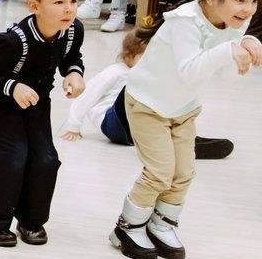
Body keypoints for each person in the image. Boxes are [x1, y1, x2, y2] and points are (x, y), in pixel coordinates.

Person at [110, 0, 262, 259]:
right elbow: (189, 70)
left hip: (183, 107)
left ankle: (161, 224)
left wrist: (248, 40)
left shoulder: (236, 18)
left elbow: (230, 47)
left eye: (255, 1)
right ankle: (127, 227)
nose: (249, 9)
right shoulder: (185, 22)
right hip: (148, 104)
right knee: (159, 172)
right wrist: (230, 49)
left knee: (184, 172)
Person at [0, 0, 86, 248]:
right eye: (58, 2)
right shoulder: (12, 41)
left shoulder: (72, 30)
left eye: (73, 1)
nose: (68, 9)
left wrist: (74, 72)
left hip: (37, 99)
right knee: (12, 157)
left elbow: (71, 57)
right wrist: (13, 87)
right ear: (35, 6)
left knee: (46, 159)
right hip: (2, 101)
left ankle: (31, 220)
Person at [60, 30, 235, 161]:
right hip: (114, 124)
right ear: (127, 56)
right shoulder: (116, 72)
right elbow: (88, 94)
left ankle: (185, 143)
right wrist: (74, 126)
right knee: (144, 83)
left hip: (138, 129)